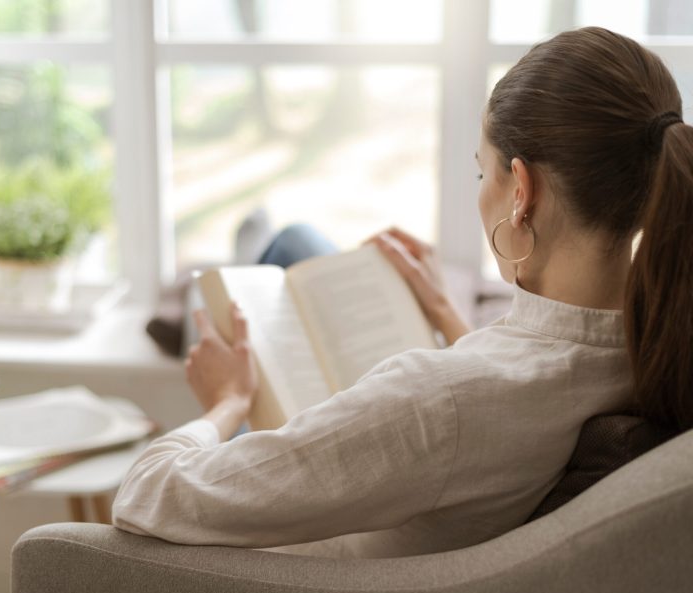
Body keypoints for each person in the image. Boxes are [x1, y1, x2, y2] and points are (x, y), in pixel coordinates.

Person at [112, 27, 692, 558]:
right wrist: (445, 312)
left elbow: (146, 494)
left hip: (318, 576)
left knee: (288, 248)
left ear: (522, 191)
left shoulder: (437, 401)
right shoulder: (660, 345)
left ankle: (227, 282)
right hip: (427, 460)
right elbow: (531, 391)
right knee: (301, 245)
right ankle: (258, 251)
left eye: (479, 172)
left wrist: (227, 403)